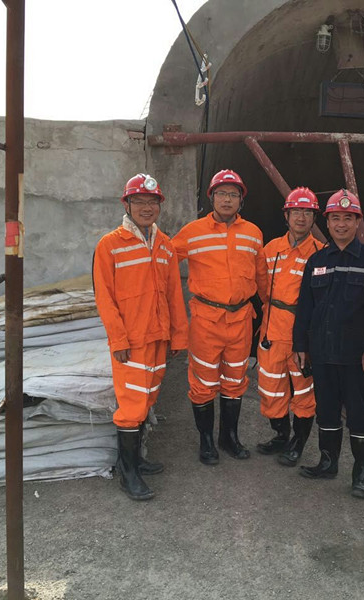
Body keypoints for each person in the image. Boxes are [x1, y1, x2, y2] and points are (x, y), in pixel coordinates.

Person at [93, 173, 189, 501]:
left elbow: (174, 294)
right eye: (139, 202)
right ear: (127, 205)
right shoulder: (110, 245)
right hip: (131, 343)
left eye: (152, 202)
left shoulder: (165, 245)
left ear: (160, 206)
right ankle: (128, 474)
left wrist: (178, 336)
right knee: (131, 407)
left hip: (159, 338)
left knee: (147, 399)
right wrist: (118, 340)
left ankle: (136, 460)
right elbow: (104, 298)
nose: (146, 208)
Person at [292, 189, 364, 498]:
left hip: (356, 356)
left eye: (348, 218)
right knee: (327, 410)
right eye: (335, 218)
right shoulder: (317, 260)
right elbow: (305, 307)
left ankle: (361, 474)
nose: (341, 224)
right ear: (328, 222)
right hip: (322, 352)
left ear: (357, 222)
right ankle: (328, 462)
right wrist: (300, 345)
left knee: (358, 414)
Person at [171, 169, 268, 465]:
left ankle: (229, 438)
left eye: (233, 194)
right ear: (212, 197)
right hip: (206, 320)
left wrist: (270, 308)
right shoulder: (192, 232)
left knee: (235, 379)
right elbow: (164, 261)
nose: (227, 199)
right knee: (203, 382)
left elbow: (262, 276)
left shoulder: (253, 233)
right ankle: (207, 442)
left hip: (241, 319)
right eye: (222, 194)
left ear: (241, 200)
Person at [256, 188, 323, 466]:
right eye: (296, 211)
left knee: (304, 392)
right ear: (286, 215)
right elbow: (261, 288)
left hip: (301, 335)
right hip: (272, 331)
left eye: (307, 212)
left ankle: (298, 443)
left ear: (314, 217)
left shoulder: (320, 254)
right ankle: (281, 434)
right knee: (271, 388)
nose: (301, 217)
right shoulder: (270, 250)